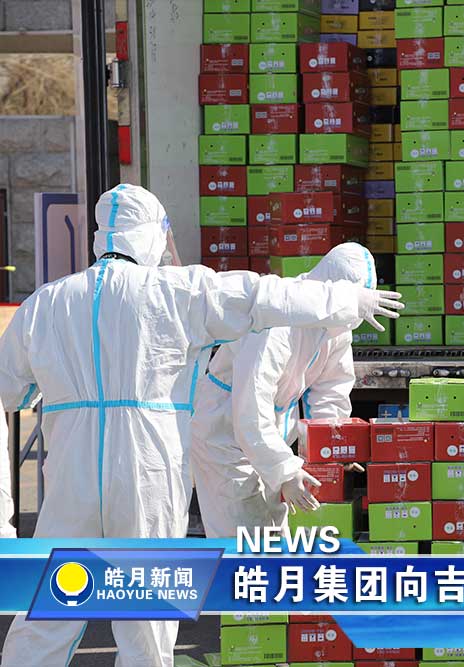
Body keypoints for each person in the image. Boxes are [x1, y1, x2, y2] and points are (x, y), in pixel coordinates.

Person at [0, 184, 403, 667]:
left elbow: (8, 393)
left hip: (70, 477)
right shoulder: (178, 291)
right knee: (147, 617)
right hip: (148, 471)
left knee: (49, 610)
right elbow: (260, 295)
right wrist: (346, 299)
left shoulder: (45, 304)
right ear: (153, 235)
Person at [191, 242, 375, 538]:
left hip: (269, 431)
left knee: (274, 534)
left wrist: (332, 446)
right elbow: (250, 408)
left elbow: (330, 388)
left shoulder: (335, 324)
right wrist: (285, 471)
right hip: (224, 431)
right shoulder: (279, 319)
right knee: (242, 535)